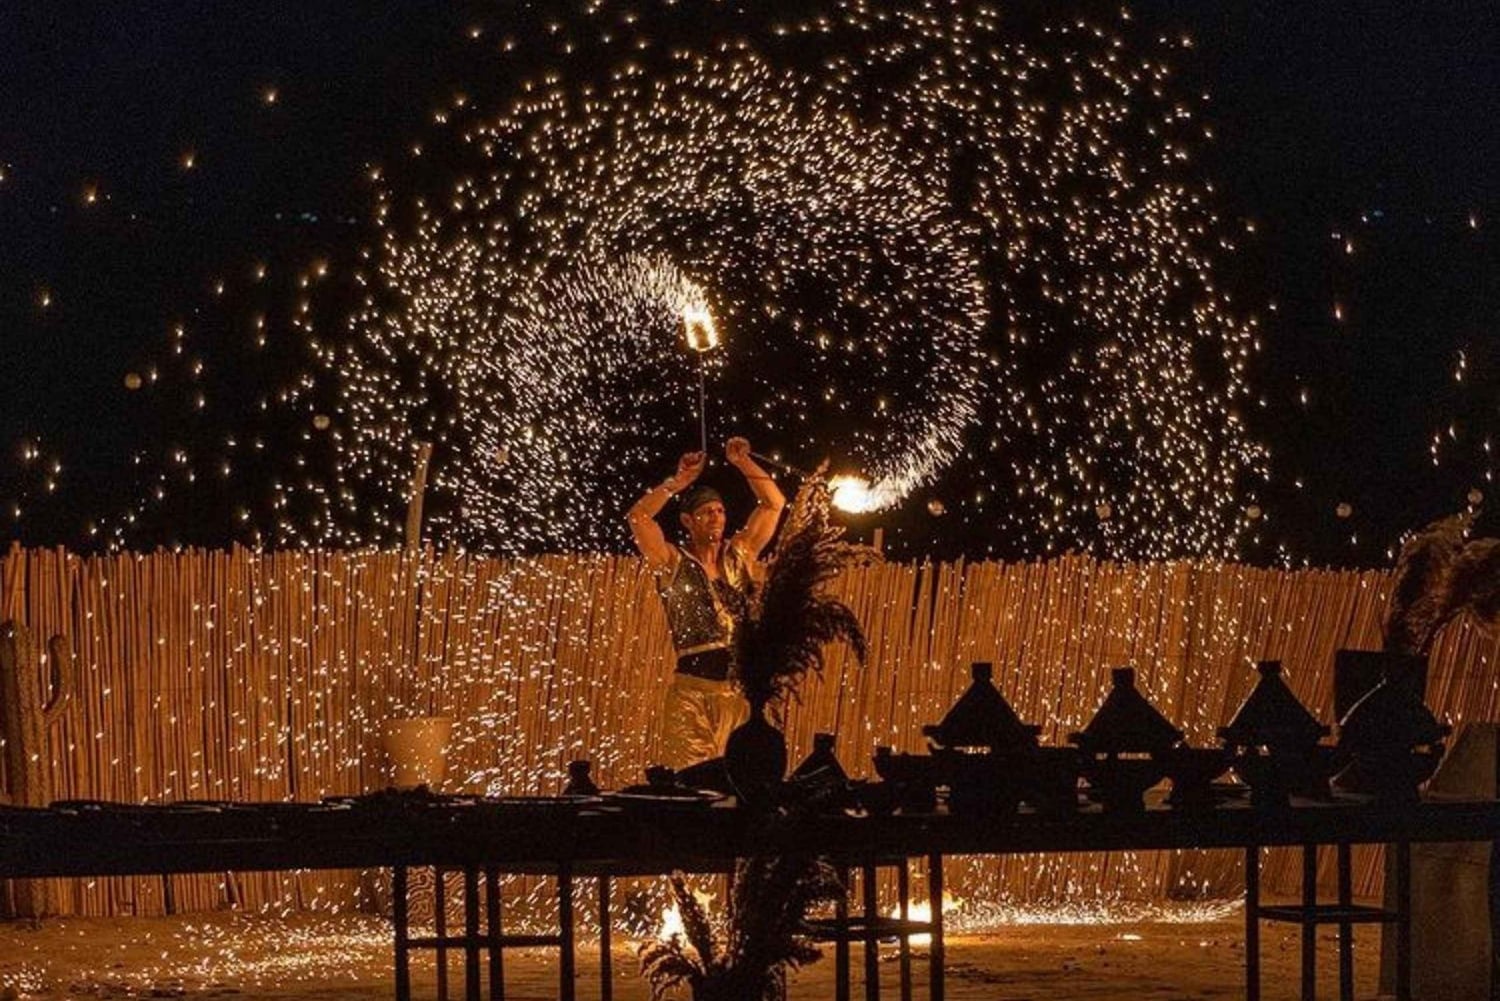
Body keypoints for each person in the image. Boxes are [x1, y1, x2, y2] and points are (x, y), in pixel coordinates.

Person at [626, 436, 786, 768]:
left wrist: (743, 462)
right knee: (693, 784)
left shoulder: (739, 555)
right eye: (706, 512)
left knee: (743, 783)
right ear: (687, 521)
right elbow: (639, 518)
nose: (717, 517)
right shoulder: (672, 562)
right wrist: (678, 482)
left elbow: (774, 504)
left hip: (739, 697)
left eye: (721, 511)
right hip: (691, 697)